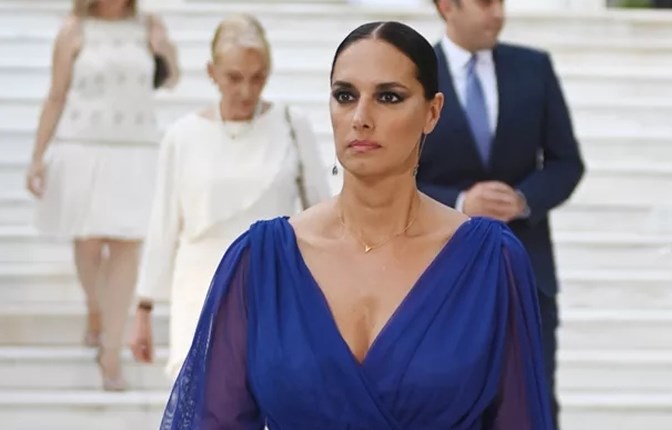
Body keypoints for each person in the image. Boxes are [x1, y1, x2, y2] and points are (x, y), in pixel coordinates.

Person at [159, 21, 552, 429]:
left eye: (388, 97)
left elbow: (517, 419)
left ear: (432, 112)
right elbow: (215, 421)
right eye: (345, 96)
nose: (361, 118)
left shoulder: (491, 263)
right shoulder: (260, 261)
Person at [129, 14, 331, 379]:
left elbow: (322, 212)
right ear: (212, 72)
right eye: (234, 78)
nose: (247, 91)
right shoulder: (183, 136)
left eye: (258, 77)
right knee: (203, 395)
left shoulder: (291, 124)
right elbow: (163, 223)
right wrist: (144, 307)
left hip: (271, 283)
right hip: (199, 286)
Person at [417, 1, 585, 427]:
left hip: (526, 271)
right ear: (447, 6)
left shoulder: (534, 68)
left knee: (532, 405)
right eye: (485, 2)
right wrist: (459, 202)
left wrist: (524, 200)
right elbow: (396, 174)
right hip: (441, 273)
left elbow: (567, 162)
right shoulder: (415, 73)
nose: (498, 13)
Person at [25, 0, 179, 391]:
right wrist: (37, 156)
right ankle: (95, 307)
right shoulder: (74, 29)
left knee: (127, 247)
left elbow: (171, 79)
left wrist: (163, 48)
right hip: (82, 147)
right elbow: (56, 94)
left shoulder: (148, 24)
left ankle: (111, 351)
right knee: (89, 243)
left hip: (134, 148)